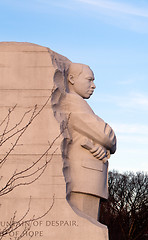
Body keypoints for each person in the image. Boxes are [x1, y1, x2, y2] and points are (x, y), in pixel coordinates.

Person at [60, 63, 116, 221]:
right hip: (82, 179)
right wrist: (105, 143)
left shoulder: (80, 104)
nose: (94, 85)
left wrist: (102, 148)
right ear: (71, 79)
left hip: (88, 177)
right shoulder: (72, 102)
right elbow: (107, 136)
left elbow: (98, 138)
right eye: (89, 80)